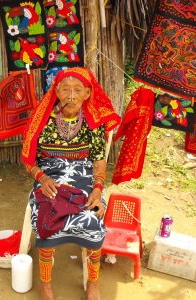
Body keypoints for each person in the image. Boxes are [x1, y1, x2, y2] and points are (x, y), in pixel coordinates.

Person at [21, 67, 120, 299]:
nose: (71, 95)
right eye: (65, 89)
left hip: (84, 177)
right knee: (46, 217)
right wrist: (41, 177)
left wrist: (97, 188)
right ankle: (46, 284)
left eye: (78, 90)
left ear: (87, 93)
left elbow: (98, 160)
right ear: (56, 91)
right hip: (49, 178)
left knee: (93, 218)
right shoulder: (42, 120)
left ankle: (93, 282)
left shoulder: (94, 122)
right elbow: (28, 160)